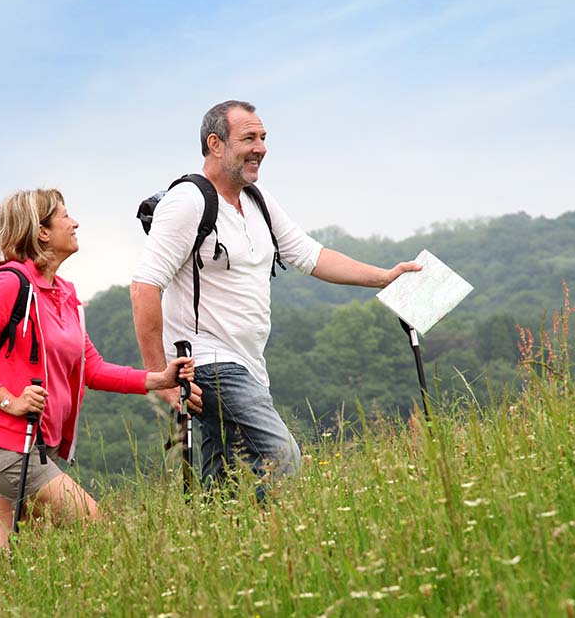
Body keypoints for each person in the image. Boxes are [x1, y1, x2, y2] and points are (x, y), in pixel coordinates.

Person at [131, 100, 421, 496]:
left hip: (250, 364)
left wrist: (383, 277)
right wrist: (159, 378)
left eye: (263, 138)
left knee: (224, 484)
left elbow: (311, 256)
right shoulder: (187, 202)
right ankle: (282, 542)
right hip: (209, 362)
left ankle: (224, 547)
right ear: (215, 144)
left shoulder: (257, 199)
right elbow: (145, 286)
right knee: (282, 457)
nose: (261, 148)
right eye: (248, 138)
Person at [0, 188, 200, 548]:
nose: (75, 222)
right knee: (95, 523)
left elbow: (91, 369)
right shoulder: (9, 284)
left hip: (39, 442)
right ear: (42, 231)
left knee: (22, 547)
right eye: (65, 215)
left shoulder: (63, 293)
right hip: (4, 443)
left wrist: (157, 379)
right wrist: (10, 400)